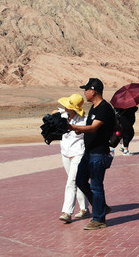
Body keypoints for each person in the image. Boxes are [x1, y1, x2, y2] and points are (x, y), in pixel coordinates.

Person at [70, 78, 116, 230]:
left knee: (96, 186)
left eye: (86, 90)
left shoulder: (104, 108)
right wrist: (77, 129)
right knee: (80, 180)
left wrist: (71, 126)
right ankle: (101, 206)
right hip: (89, 153)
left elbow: (94, 128)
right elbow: (89, 127)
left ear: (93, 91)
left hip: (99, 153)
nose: (84, 93)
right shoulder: (94, 108)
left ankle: (99, 219)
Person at [56, 93, 90, 223]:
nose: (65, 108)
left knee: (71, 182)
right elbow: (55, 112)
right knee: (77, 181)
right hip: (65, 154)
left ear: (74, 109)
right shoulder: (63, 116)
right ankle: (84, 209)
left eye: (68, 106)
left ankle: (67, 212)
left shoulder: (83, 121)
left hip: (78, 155)